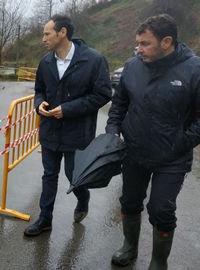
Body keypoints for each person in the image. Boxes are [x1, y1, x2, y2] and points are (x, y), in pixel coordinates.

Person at [106, 14, 200, 269]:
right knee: (129, 201)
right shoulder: (132, 66)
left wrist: (182, 141)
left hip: (172, 157)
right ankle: (129, 247)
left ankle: (159, 261)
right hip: (134, 153)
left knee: (161, 210)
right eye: (138, 43)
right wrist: (113, 130)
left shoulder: (194, 69)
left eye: (145, 43)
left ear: (166, 42)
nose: (139, 49)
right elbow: (119, 104)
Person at [24, 15, 112, 237]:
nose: (43, 38)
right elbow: (39, 90)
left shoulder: (94, 60)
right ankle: (45, 219)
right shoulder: (45, 62)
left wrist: (68, 109)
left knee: (74, 175)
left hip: (78, 132)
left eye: (47, 33)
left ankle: (83, 198)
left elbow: (102, 95)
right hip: (50, 130)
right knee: (49, 175)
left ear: (62, 32)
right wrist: (38, 104)